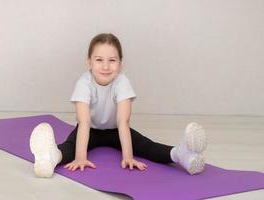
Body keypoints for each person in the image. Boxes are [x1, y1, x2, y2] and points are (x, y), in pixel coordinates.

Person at [29, 33, 207, 178]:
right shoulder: (84, 83)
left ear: (120, 63)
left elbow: (123, 122)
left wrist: (128, 157)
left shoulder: (122, 82)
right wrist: (80, 158)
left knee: (146, 146)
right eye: (99, 60)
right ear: (89, 62)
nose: (106, 66)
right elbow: (84, 123)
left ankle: (181, 154)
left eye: (112, 60)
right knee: (71, 145)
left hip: (115, 130)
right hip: (90, 129)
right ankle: (52, 157)